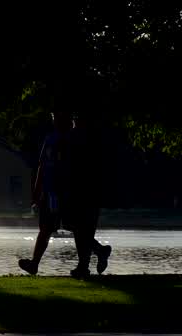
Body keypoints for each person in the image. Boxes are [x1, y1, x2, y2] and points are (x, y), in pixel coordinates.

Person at [18, 109, 69, 275]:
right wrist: (37, 189)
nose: (55, 121)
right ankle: (34, 264)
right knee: (47, 228)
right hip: (50, 192)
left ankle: (34, 264)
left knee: (53, 227)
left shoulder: (70, 140)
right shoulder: (51, 139)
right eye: (54, 117)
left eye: (57, 118)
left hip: (59, 192)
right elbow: (42, 165)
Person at [63, 112, 112, 276]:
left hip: (78, 190)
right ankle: (88, 260)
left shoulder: (74, 138)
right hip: (91, 190)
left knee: (77, 227)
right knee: (83, 229)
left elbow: (69, 166)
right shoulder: (95, 138)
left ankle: (89, 260)